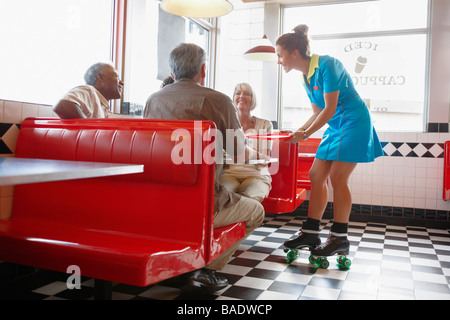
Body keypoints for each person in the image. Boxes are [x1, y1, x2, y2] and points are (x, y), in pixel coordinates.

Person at [143, 43, 265, 292]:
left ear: (173, 72)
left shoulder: (152, 100)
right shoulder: (217, 100)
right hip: (202, 204)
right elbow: (240, 155)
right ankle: (205, 270)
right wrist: (260, 156)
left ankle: (180, 265)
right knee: (256, 211)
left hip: (157, 203)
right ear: (203, 70)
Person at [276, 25, 384, 259]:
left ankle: (339, 238)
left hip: (355, 122)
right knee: (316, 175)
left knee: (337, 178)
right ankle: (311, 232)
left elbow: (330, 108)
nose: (278, 60)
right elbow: (317, 112)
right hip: (336, 126)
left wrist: (305, 135)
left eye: (280, 55)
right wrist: (300, 130)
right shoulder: (305, 77)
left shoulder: (328, 65)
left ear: (294, 52)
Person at [220, 83, 272, 203]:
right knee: (221, 197)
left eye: (246, 94)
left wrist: (241, 152)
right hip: (228, 175)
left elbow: (265, 158)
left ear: (253, 100)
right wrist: (251, 153)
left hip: (256, 175)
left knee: (252, 199)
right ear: (233, 99)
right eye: (238, 93)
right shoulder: (225, 124)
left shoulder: (265, 124)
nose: (241, 96)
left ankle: (246, 221)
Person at [53, 62, 124, 119]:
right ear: (101, 77)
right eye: (116, 76)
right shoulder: (90, 91)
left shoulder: (103, 106)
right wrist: (89, 130)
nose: (122, 82)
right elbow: (62, 105)